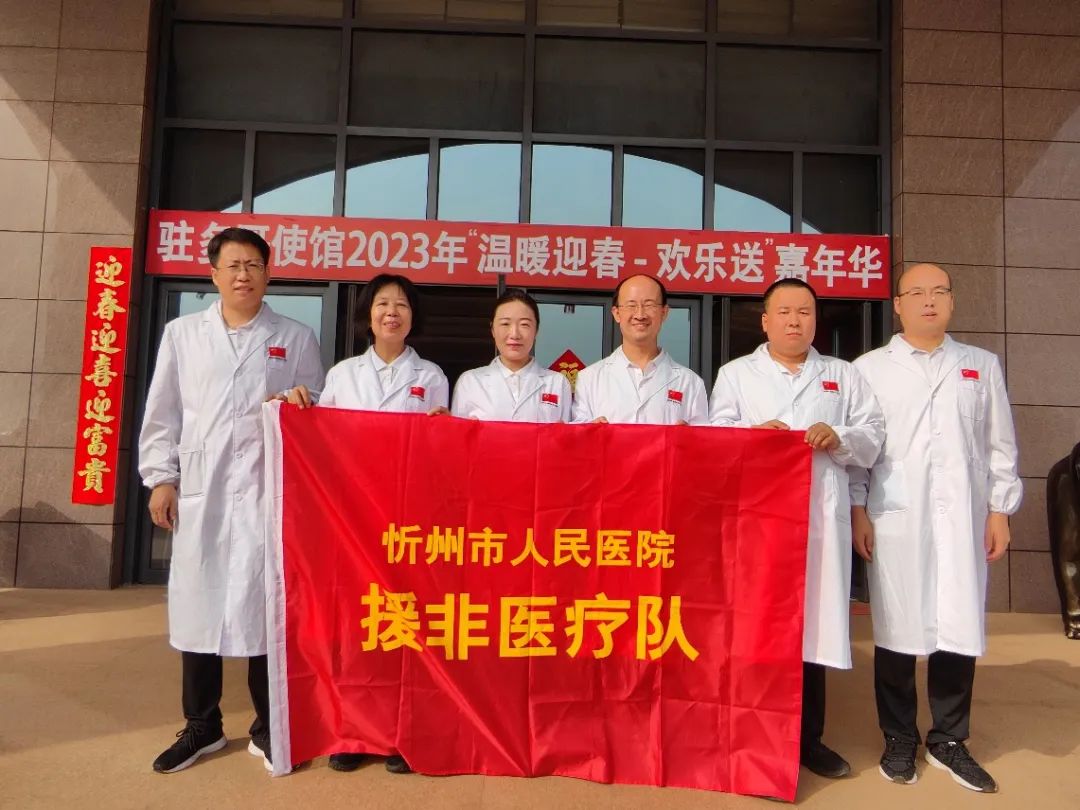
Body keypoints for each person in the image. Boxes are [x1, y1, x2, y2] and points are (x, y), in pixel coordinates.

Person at [139, 227, 325, 774]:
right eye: (233, 266)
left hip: (269, 489)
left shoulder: (295, 336)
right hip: (204, 488)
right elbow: (163, 410)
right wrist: (162, 477)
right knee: (199, 603)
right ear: (214, 274)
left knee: (265, 603)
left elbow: (316, 402)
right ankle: (203, 725)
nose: (243, 275)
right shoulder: (182, 334)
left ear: (268, 273)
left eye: (253, 265)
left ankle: (269, 726)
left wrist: (301, 400)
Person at [850, 263, 1022, 793]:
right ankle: (899, 736)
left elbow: (1000, 443)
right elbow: (860, 450)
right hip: (895, 516)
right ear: (898, 305)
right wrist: (857, 509)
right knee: (897, 629)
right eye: (917, 293)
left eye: (939, 292)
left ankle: (949, 739)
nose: (929, 301)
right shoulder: (868, 369)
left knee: (957, 623)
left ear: (951, 301)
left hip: (965, 518)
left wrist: (999, 510)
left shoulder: (980, 365)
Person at [709, 278, 884, 779]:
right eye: (784, 312)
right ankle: (752, 739)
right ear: (765, 321)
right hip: (758, 524)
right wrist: (751, 437)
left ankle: (808, 741)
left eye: (804, 312)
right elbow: (714, 438)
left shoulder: (842, 375)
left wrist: (839, 435)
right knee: (759, 629)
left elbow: (873, 437)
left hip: (819, 523)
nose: (794, 321)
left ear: (815, 321)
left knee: (812, 630)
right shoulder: (736, 374)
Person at [287, 273, 448, 774]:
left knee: (403, 627)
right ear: (368, 315)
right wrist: (294, 408)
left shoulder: (432, 376)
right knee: (355, 629)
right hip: (353, 522)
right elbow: (323, 440)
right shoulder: (342, 376)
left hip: (407, 522)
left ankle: (402, 734)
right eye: (382, 304)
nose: (391, 313)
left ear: (413, 318)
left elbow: (440, 453)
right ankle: (353, 732)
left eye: (401, 305)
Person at [572, 274, 707, 425]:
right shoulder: (589, 379)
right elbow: (576, 436)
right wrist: (589, 431)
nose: (640, 315)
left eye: (649, 305)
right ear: (616, 313)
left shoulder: (690, 383)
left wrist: (689, 436)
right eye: (631, 305)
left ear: (664, 313)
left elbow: (703, 437)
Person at [451, 288, 571, 422]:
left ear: (536, 330)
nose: (514, 334)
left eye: (524, 324)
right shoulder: (470, 382)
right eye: (505, 324)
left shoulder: (557, 383)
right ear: (492, 329)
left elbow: (566, 433)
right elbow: (457, 433)